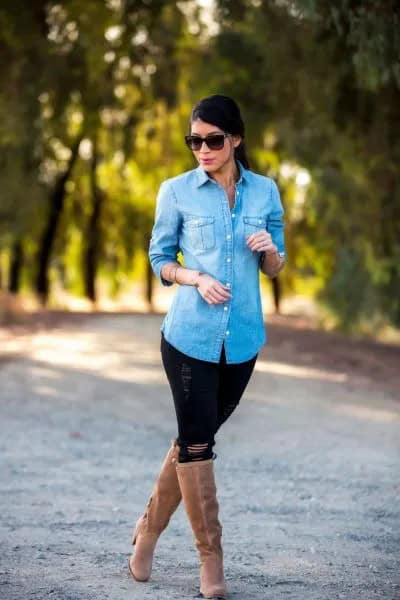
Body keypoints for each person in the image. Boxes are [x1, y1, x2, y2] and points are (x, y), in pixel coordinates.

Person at [128, 94, 286, 599]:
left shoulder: (265, 193)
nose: (203, 148)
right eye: (194, 140)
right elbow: (159, 257)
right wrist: (192, 276)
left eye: (213, 140)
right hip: (188, 338)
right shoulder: (175, 191)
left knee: (191, 440)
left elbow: (277, 265)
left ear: (236, 139)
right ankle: (210, 560)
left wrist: (270, 252)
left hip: (242, 340)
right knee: (199, 443)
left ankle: (147, 530)